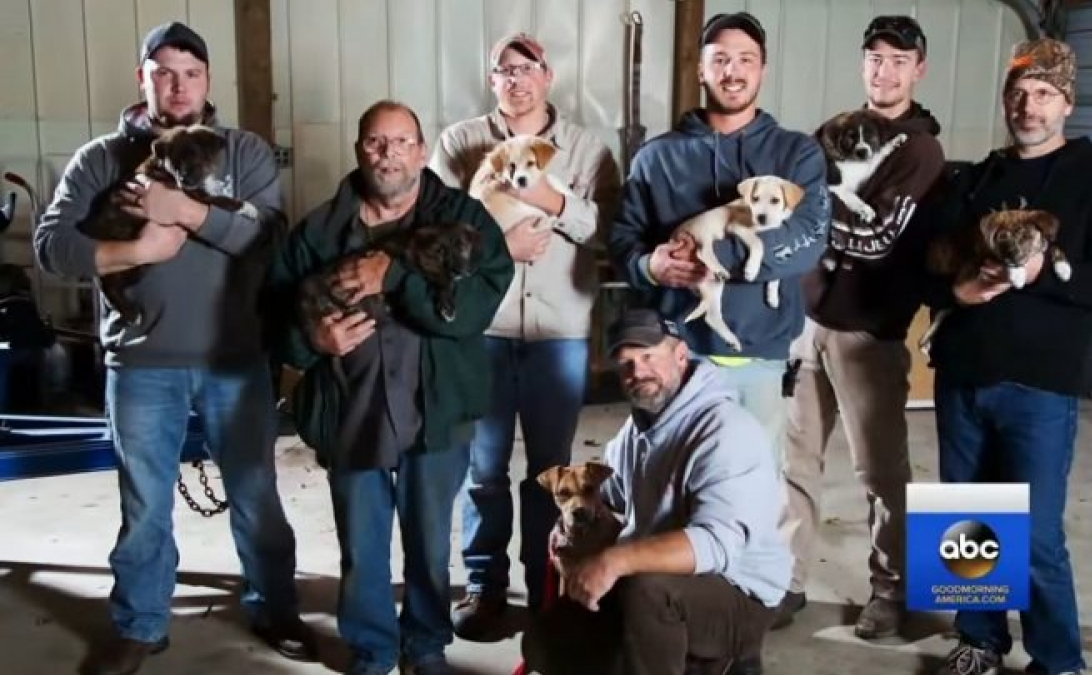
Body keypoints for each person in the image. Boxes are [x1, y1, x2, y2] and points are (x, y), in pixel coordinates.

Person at [32, 22, 315, 675]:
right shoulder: (100, 158)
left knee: (255, 493)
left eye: (190, 72)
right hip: (139, 363)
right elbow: (53, 247)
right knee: (144, 502)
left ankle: (274, 605)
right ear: (143, 78)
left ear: (208, 81)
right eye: (163, 71)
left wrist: (184, 212)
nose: (177, 85)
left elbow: (269, 241)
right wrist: (138, 248)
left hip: (234, 360)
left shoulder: (241, 152)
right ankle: (140, 622)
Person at [925, 38, 1092, 675]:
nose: (1029, 106)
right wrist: (956, 290)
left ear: (1068, 103)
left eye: (1045, 94)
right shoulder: (977, 179)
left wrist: (1039, 278)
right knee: (965, 520)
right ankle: (978, 642)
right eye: (1019, 94)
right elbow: (931, 260)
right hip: (964, 374)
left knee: (1035, 538)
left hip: (1043, 385)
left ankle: (1058, 660)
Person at [263, 100, 513, 675]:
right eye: (377, 142)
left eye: (402, 142)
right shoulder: (320, 230)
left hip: (437, 408)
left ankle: (424, 646)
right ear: (359, 150)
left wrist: (393, 275)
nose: (389, 154)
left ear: (422, 151)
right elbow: (274, 318)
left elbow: (473, 308)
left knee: (429, 543)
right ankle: (373, 650)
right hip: (351, 408)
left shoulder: (465, 219)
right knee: (363, 544)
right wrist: (314, 340)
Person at [427, 32, 622, 637]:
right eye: (502, 70)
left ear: (548, 75)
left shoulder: (588, 151)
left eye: (526, 68)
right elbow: (435, 230)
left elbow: (612, 232)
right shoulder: (460, 143)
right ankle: (485, 587)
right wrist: (497, 247)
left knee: (552, 472)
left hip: (557, 336)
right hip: (482, 333)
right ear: (492, 81)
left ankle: (546, 581)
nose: (515, 79)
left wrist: (554, 203)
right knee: (482, 471)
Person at [779, 15, 946, 637]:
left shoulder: (921, 149)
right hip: (808, 322)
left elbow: (877, 239)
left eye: (899, 60)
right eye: (876, 58)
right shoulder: (836, 130)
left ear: (919, 69)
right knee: (794, 463)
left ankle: (892, 588)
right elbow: (794, 201)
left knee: (879, 473)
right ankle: (787, 581)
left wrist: (814, 224)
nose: (885, 70)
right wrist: (816, 227)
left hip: (867, 334)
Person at [607, 11, 830, 459]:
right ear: (701, 69)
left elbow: (809, 236)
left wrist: (709, 258)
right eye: (721, 59)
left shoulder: (796, 153)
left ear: (762, 70)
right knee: (672, 488)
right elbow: (622, 240)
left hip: (760, 360)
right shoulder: (657, 157)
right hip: (675, 360)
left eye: (746, 59)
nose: (733, 71)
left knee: (756, 491)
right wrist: (649, 266)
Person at [521, 308, 790, 675]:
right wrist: (571, 526)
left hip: (738, 593)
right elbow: (610, 493)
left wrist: (613, 561)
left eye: (649, 356)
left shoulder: (725, 431)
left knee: (644, 591)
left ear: (681, 356)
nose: (637, 372)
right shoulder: (637, 431)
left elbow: (716, 544)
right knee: (550, 634)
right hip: (666, 580)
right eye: (626, 363)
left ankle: (728, 659)